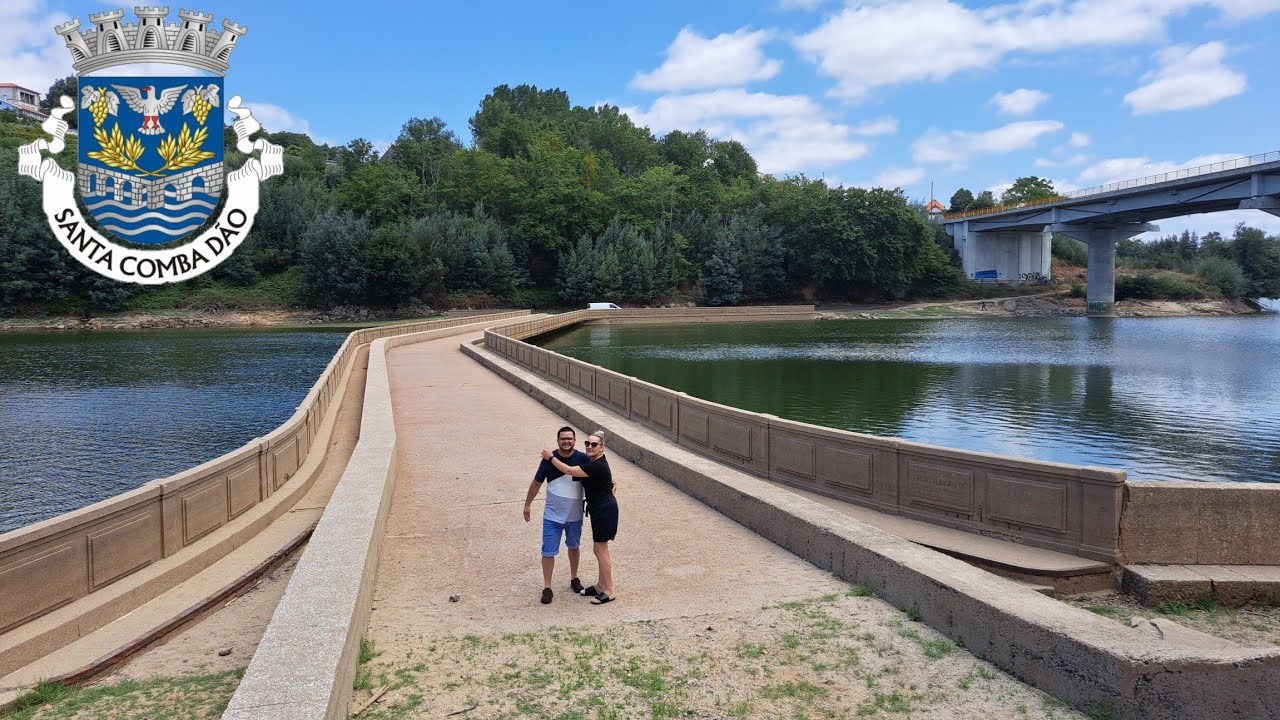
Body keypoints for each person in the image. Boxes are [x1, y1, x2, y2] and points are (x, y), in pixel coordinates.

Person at [541, 429, 618, 605]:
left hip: (604, 510)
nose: (590, 447)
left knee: (601, 550)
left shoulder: (596, 465)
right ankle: (600, 586)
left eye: (594, 444)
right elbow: (605, 478)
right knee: (598, 548)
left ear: (602, 447)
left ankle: (609, 590)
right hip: (599, 509)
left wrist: (550, 457)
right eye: (588, 443)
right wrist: (612, 482)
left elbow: (568, 470)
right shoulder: (595, 461)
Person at [524, 426, 588, 604]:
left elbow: (597, 473)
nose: (566, 441)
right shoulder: (548, 459)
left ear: (575, 440)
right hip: (552, 516)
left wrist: (611, 482)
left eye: (570, 438)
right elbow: (536, 483)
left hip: (575, 515)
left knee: (574, 546)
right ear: (557, 440)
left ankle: (574, 578)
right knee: (548, 551)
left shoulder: (582, 458)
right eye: (563, 438)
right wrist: (527, 504)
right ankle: (547, 587)